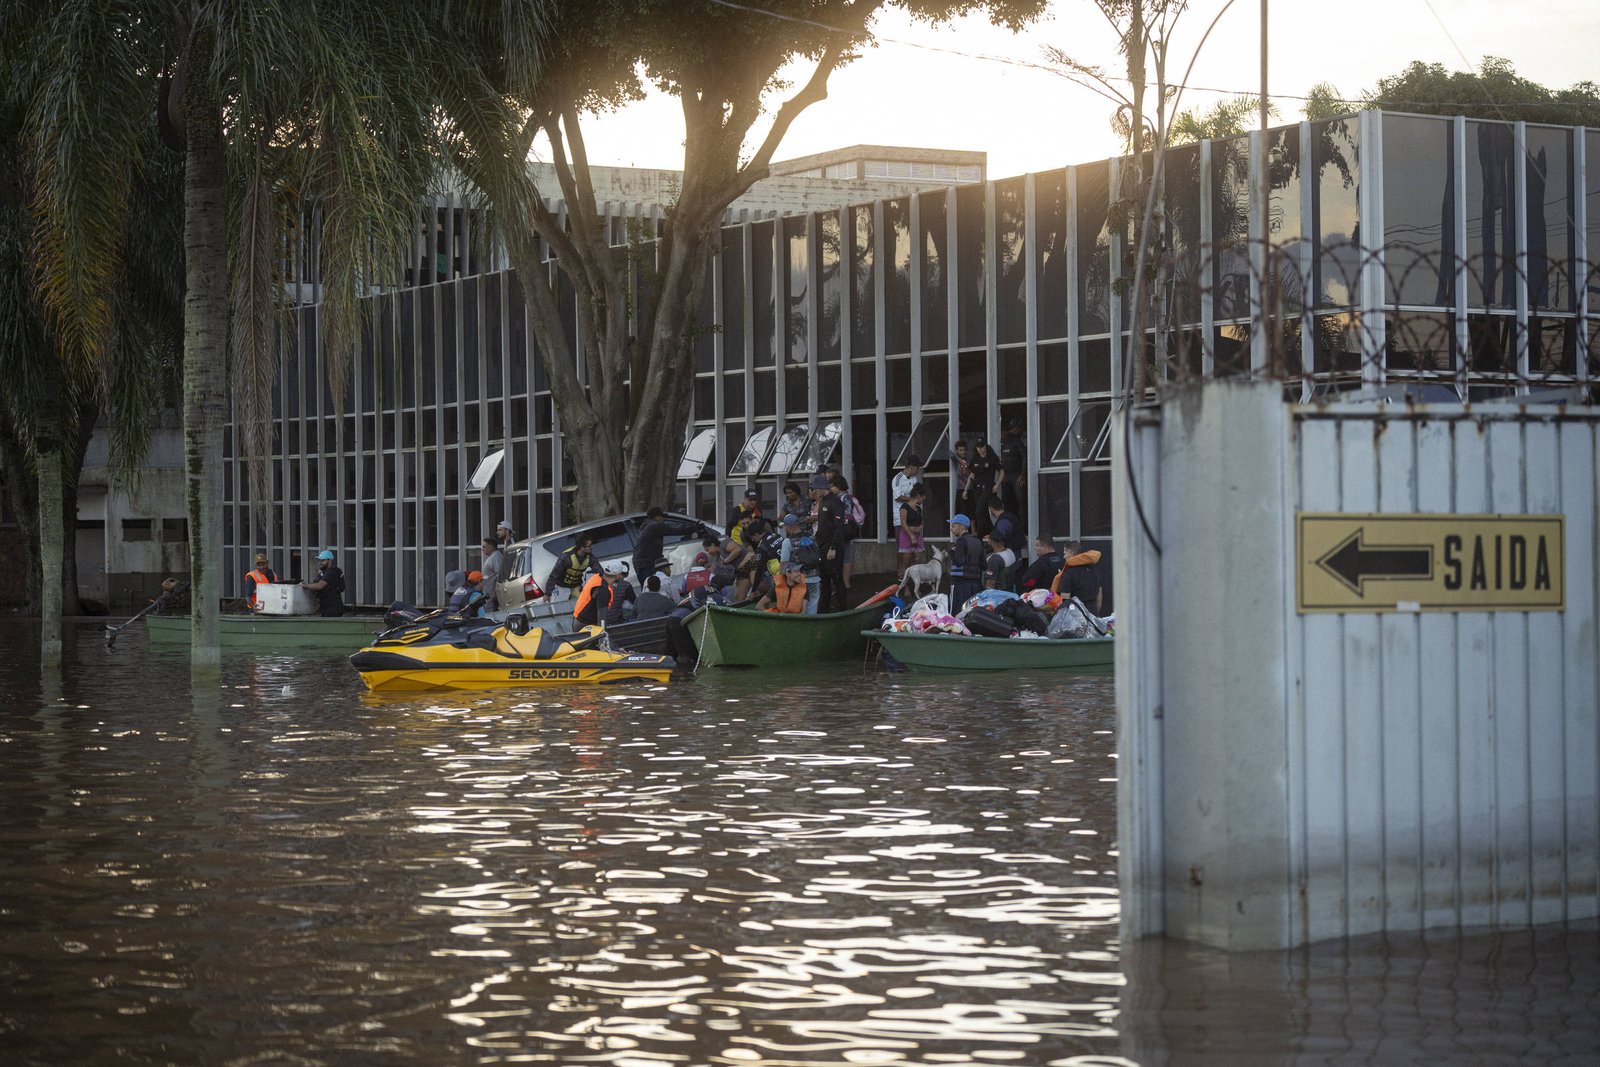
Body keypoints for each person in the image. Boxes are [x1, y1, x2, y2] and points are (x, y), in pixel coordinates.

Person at [811, 474, 848, 612]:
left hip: (832, 546)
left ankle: (842, 608)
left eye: (816, 488)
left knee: (837, 578)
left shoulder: (835, 502)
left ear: (822, 488)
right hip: (822, 545)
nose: (815, 491)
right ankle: (824, 608)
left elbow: (839, 527)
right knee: (824, 579)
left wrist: (833, 547)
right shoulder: (823, 502)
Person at [779, 513, 822, 614]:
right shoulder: (811, 537)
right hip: (815, 578)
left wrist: (782, 580)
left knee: (799, 608)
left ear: (789, 526)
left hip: (798, 579)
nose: (785, 528)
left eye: (785, 526)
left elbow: (784, 563)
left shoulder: (788, 541)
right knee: (813, 605)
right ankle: (811, 626)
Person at [829, 472, 861, 590]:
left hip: (843, 530)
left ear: (839, 486)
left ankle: (845, 582)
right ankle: (842, 582)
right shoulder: (838, 497)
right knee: (844, 556)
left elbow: (846, 513)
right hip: (840, 529)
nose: (830, 489)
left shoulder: (844, 497)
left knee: (845, 556)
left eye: (832, 486)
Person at [891, 454, 922, 571]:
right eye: (917, 467)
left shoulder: (914, 479)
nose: (918, 470)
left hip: (913, 518)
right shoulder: (897, 479)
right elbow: (898, 496)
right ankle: (900, 571)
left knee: (914, 547)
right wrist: (912, 500)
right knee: (901, 547)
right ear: (912, 467)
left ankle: (913, 571)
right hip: (900, 518)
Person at [947, 514, 985, 608]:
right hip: (975, 585)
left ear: (961, 527)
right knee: (971, 612)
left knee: (957, 614)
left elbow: (958, 562)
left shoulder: (961, 541)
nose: (951, 529)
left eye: (954, 526)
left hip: (960, 585)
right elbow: (984, 565)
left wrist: (951, 552)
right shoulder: (978, 541)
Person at [575, 560, 628, 627]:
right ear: (617, 575)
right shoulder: (603, 591)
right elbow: (602, 620)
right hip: (585, 625)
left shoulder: (597, 577)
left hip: (578, 620)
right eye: (620, 573)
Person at [544, 534, 594, 602]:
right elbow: (554, 575)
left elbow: (599, 570)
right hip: (562, 587)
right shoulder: (566, 557)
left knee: (580, 606)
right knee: (560, 607)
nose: (592, 547)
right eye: (590, 546)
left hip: (576, 586)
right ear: (582, 547)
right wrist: (547, 593)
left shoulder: (590, 557)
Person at [1058, 542, 1105, 614]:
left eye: (1065, 553)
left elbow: (1065, 600)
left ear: (1071, 553)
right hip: (1092, 612)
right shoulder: (1094, 571)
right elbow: (1099, 597)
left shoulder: (1068, 573)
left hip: (1075, 617)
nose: (1064, 557)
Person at [300, 549, 346, 617]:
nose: (320, 562)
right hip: (326, 607)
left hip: (332, 608)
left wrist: (306, 585)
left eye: (323, 560)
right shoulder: (324, 572)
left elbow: (320, 585)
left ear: (330, 561)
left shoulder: (331, 572)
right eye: (319, 560)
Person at [632, 506, 670, 584]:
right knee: (651, 586)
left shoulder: (646, 526)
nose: (663, 520)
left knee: (648, 587)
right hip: (646, 563)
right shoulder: (655, 525)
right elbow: (674, 531)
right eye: (662, 517)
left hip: (641, 562)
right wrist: (692, 529)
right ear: (657, 517)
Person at [969, 440, 1000, 534]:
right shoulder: (975, 459)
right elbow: (972, 474)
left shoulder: (992, 458)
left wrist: (997, 484)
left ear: (986, 446)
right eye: (978, 447)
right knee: (982, 512)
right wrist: (966, 489)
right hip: (977, 488)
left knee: (979, 510)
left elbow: (1001, 471)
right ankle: (990, 532)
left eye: (982, 447)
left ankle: (981, 533)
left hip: (988, 487)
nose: (980, 449)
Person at [897, 482, 927, 568]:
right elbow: (903, 523)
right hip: (907, 535)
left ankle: (917, 579)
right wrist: (911, 536)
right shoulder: (904, 507)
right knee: (906, 561)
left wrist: (920, 527)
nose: (924, 498)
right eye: (923, 496)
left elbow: (922, 522)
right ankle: (904, 578)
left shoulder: (918, 509)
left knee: (918, 560)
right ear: (918, 496)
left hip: (917, 535)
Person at [999, 421, 1026, 515]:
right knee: (1007, 502)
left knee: (1020, 502)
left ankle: (1022, 525)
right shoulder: (1003, 443)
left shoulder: (1016, 442)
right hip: (1006, 476)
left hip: (1016, 475)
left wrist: (1022, 474)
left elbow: (1024, 456)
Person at [479, 536, 504, 611]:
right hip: (488, 595)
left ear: (491, 546)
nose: (482, 549)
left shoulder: (496, 556)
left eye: (484, 547)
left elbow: (500, 575)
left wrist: (495, 593)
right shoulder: (492, 557)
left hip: (491, 595)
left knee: (490, 616)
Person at [951, 439, 975, 517]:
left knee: (971, 513)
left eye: (964, 450)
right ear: (957, 451)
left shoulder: (970, 461)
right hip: (960, 489)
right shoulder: (957, 460)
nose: (963, 452)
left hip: (970, 489)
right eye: (960, 450)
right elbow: (950, 454)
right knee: (961, 513)